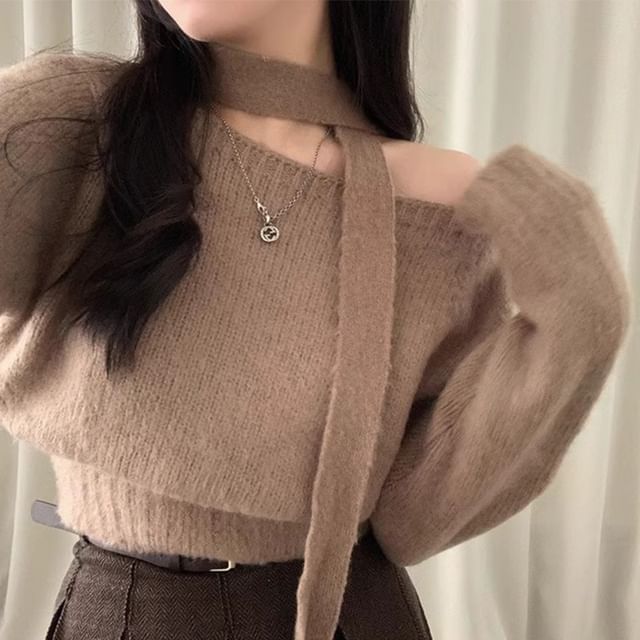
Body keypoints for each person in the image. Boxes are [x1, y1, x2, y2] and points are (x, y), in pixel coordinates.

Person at [0, 1, 631, 639]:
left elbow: (411, 520)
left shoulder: (436, 206)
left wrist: (579, 322)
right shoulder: (79, 121)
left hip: (349, 618)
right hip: (122, 612)